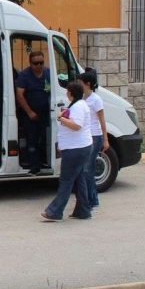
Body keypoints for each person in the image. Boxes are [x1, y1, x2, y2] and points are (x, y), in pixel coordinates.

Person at [41, 80, 93, 222]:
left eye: (67, 91)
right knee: (79, 179)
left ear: (71, 93)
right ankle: (83, 210)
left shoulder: (79, 107)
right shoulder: (78, 105)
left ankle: (55, 211)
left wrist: (61, 118)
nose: (66, 93)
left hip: (76, 149)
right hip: (78, 147)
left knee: (66, 180)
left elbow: (77, 125)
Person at [15, 51, 51, 175]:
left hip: (46, 114)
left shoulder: (48, 73)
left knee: (45, 140)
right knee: (32, 141)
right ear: (30, 63)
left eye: (41, 62)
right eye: (36, 63)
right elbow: (19, 95)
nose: (39, 65)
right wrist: (30, 112)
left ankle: (44, 162)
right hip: (30, 115)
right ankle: (34, 167)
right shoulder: (24, 75)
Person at [80, 70, 109, 212]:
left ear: (88, 84)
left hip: (95, 137)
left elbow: (102, 120)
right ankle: (92, 199)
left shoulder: (96, 100)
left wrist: (105, 139)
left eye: (81, 83)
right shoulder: (84, 99)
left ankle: (92, 200)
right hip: (86, 137)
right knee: (87, 170)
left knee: (87, 170)